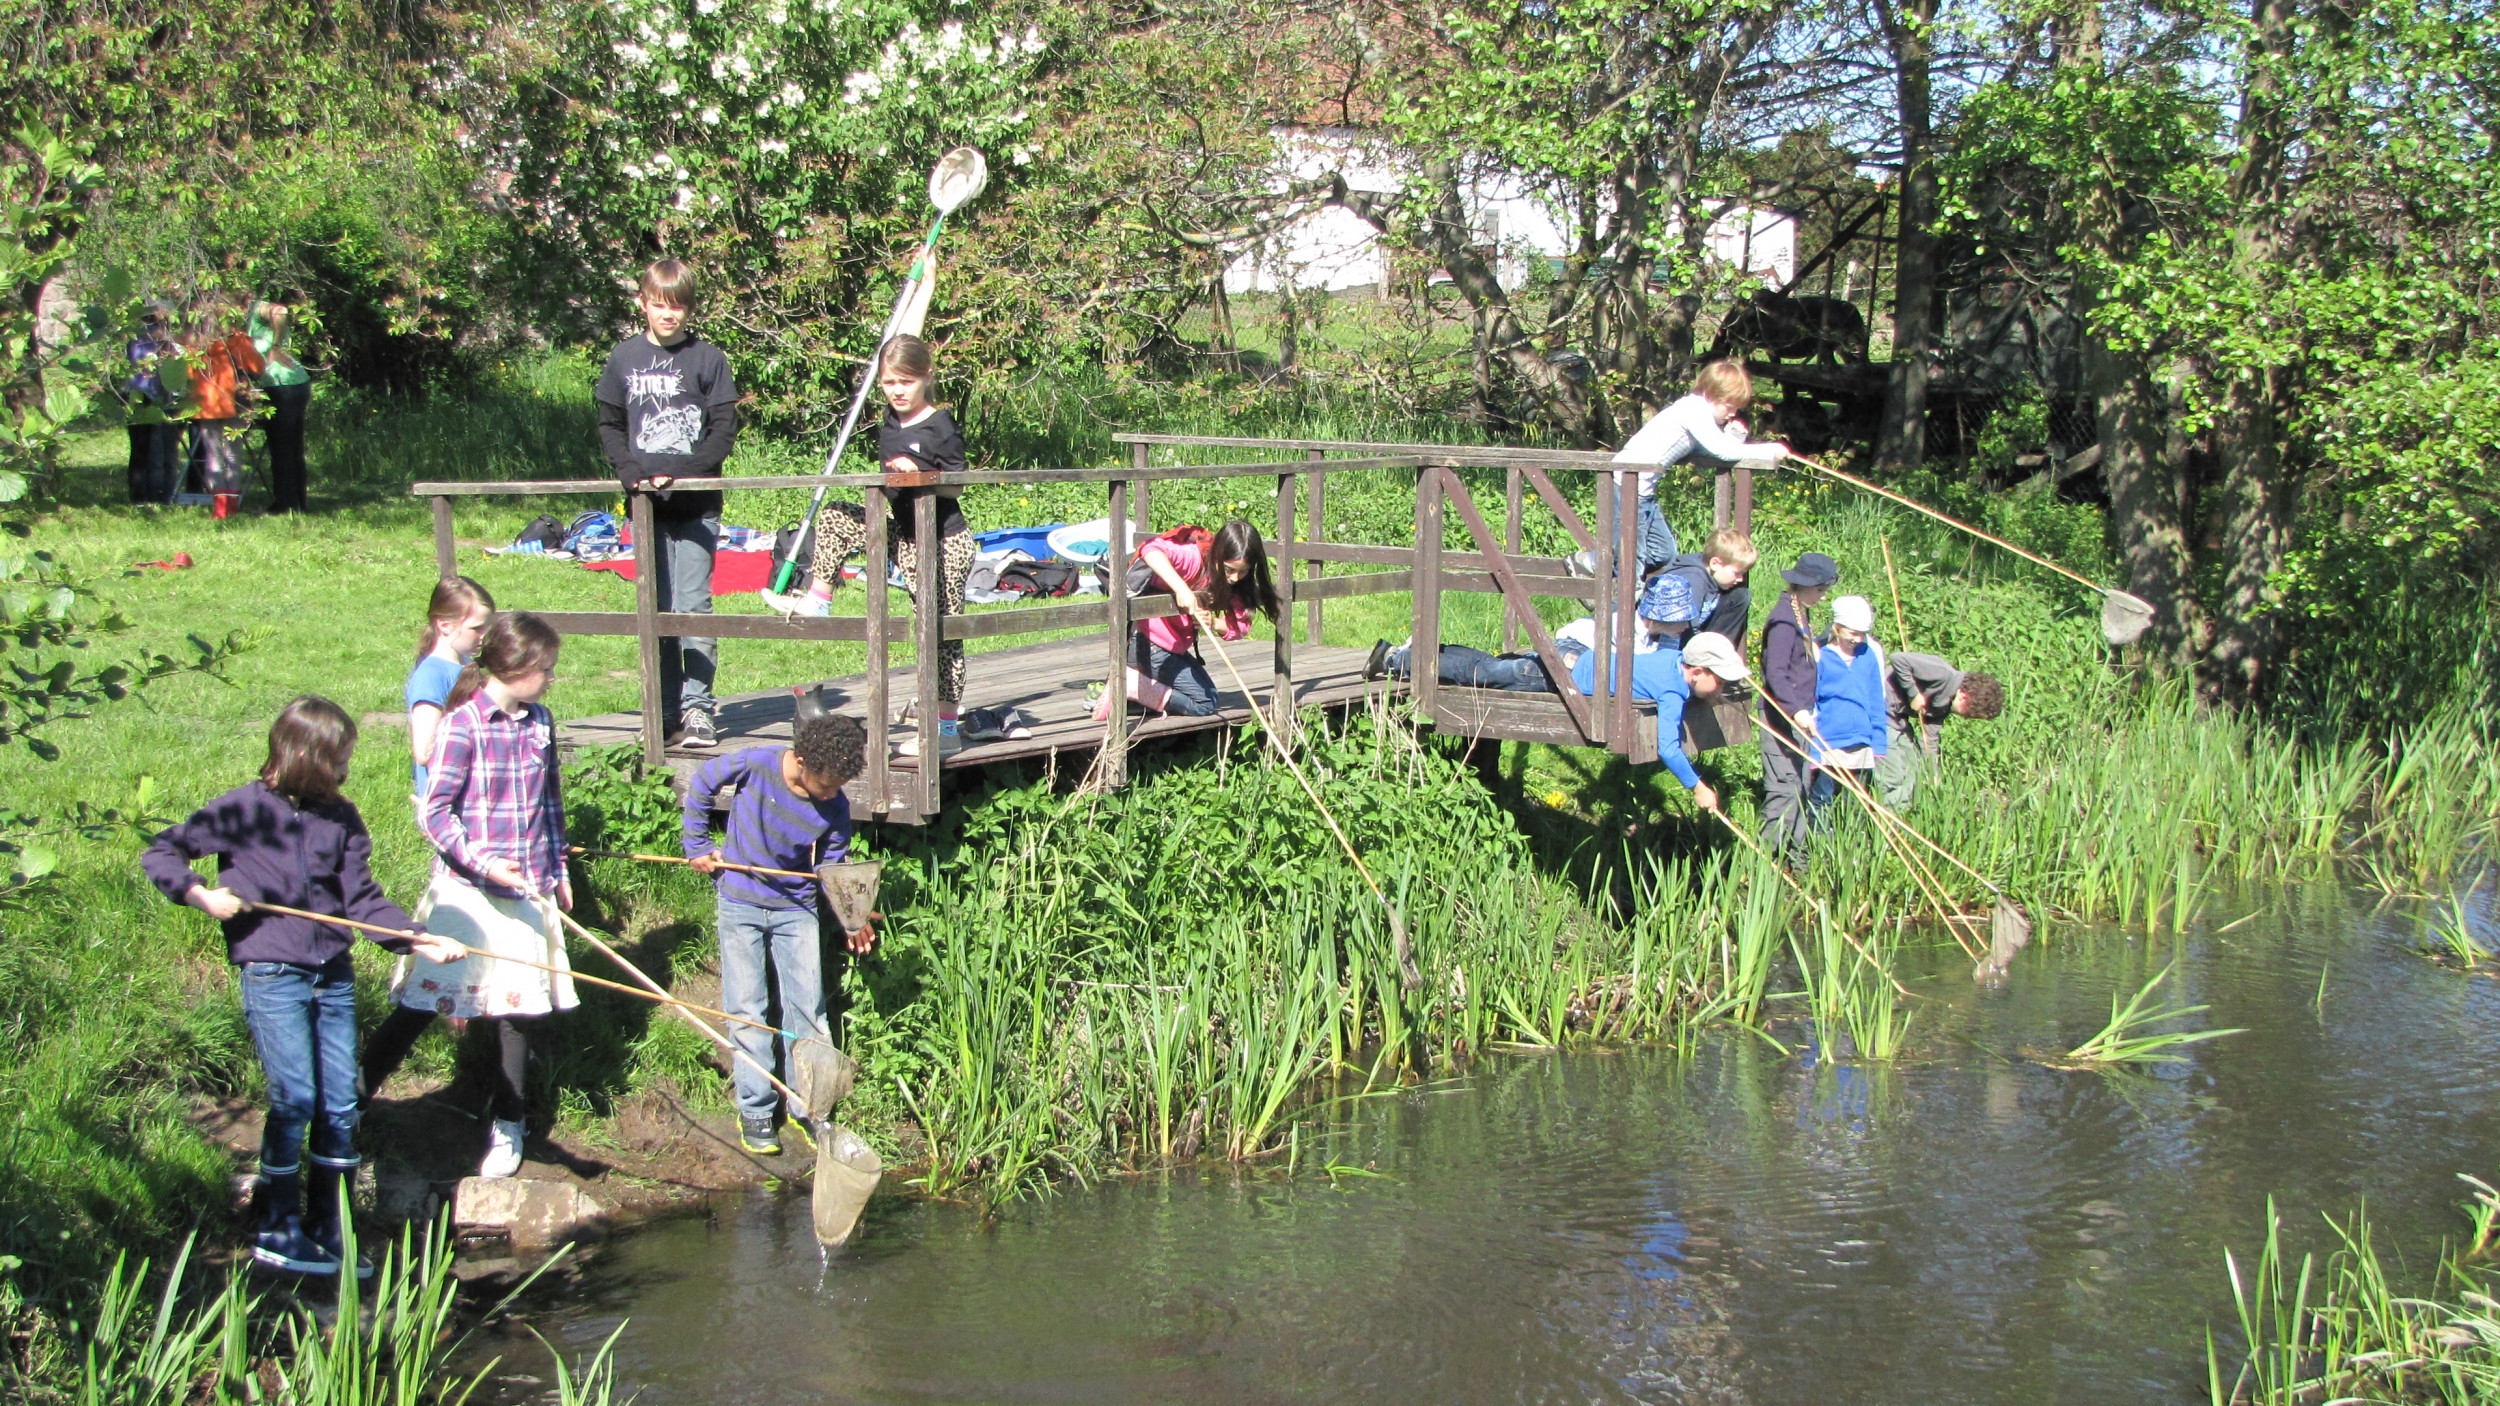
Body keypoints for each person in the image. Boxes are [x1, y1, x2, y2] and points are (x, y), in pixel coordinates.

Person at [142, 697, 464, 1276]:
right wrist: (201, 895)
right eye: (339, 759)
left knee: (340, 1103)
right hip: (273, 972)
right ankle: (277, 1227)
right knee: (294, 1100)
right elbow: (162, 850)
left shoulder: (340, 818)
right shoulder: (243, 810)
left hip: (332, 976)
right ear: (306, 757)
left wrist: (417, 939)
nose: (346, 770)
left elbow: (362, 902)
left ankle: (328, 1225)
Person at [361, 613, 577, 1180]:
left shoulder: (540, 722)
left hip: (527, 889)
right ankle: (351, 1102)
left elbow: (550, 801)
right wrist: (485, 864)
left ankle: (509, 1124)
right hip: (467, 892)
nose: (552, 680)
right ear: (517, 668)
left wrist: (557, 866)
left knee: (516, 1014)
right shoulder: (462, 726)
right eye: (547, 670)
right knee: (417, 1006)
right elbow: (435, 815)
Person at [768, 335, 972, 758]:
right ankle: (819, 596)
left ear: (927, 377)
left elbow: (958, 483)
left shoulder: (940, 425)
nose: (898, 390)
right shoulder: (891, 421)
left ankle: (946, 730)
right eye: (888, 382)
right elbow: (899, 337)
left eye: (906, 381)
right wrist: (925, 282)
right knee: (838, 515)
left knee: (940, 636)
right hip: (901, 532)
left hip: (944, 540)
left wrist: (919, 472)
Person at [682, 713, 870, 1153]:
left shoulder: (836, 805)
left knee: (808, 1012)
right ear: (800, 760)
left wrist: (853, 917)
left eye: (837, 787)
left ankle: (810, 1107)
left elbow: (831, 867)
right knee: (747, 1007)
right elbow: (702, 783)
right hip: (740, 901)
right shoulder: (756, 764)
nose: (830, 794)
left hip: (796, 908)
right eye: (824, 785)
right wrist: (696, 847)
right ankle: (756, 1109)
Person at [595, 259, 739, 749]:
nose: (668, 314)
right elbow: (610, 426)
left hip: (696, 504)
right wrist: (633, 475)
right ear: (644, 303)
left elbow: (723, 429)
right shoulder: (623, 359)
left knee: (693, 604)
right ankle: (663, 709)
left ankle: (699, 710)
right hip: (645, 504)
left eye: (677, 306)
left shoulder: (708, 359)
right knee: (653, 608)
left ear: (689, 309)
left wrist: (687, 474)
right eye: (660, 304)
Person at [1573, 362, 1787, 578]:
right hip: (1626, 484)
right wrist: (1770, 450)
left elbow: (1711, 454)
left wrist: (1735, 436)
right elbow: (1722, 452)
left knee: (1663, 553)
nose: (1733, 413)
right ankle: (1617, 597)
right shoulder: (1693, 410)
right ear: (1711, 393)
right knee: (1631, 564)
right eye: (1729, 406)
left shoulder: (1700, 413)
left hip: (1644, 492)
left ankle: (1595, 562)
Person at [1369, 571, 1695, 691]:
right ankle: (1397, 661)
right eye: (1681, 618)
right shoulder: (1630, 626)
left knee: (1493, 667)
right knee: (1490, 675)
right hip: (1573, 657)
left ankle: (1431, 650)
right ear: (1662, 615)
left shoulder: (1658, 632)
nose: (1686, 624)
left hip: (1579, 655)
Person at [1093, 520, 1283, 720]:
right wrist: (1181, 588)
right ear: (1217, 554)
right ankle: (1131, 685)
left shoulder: (1236, 583)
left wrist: (1213, 623)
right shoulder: (1193, 557)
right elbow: (1151, 549)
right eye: (1229, 569)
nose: (1235, 577)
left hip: (1171, 649)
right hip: (1147, 644)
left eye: (1242, 571)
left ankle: (1134, 692)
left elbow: (1241, 626)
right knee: (1205, 701)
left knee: (1205, 696)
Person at [1757, 551, 1837, 864]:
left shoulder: (1800, 613)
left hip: (1801, 717)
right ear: (1802, 586)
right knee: (1784, 790)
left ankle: (1797, 861)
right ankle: (1765, 862)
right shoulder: (1783, 620)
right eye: (1819, 590)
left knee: (1803, 787)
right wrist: (1796, 710)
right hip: (1783, 717)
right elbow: (1775, 672)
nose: (1823, 595)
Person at [1875, 652, 2005, 809]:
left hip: (1898, 719)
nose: (1966, 717)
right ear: (1964, 696)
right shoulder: (1942, 673)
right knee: (1892, 777)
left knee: (1914, 770)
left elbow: (1929, 738)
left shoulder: (1945, 704)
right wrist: (1914, 693)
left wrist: (1932, 772)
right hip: (1879, 710)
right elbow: (1898, 659)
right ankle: (1884, 814)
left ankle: (1900, 810)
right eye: (1969, 713)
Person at [407, 576, 496, 799]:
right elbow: (424, 752)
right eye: (477, 628)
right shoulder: (432, 676)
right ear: (445, 625)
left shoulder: (465, 664)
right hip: (449, 800)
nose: (484, 635)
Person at [1804, 595, 1888, 832]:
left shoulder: (1868, 655)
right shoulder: (1821, 656)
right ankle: (1819, 847)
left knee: (1855, 803)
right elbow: (1813, 702)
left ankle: (1850, 848)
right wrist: (1814, 750)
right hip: (1829, 742)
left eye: (1862, 633)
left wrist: (1878, 743)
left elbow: (1875, 700)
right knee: (1822, 799)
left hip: (1860, 742)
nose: (1858, 639)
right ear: (1837, 628)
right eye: (1852, 632)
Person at [184, 300, 265, 514]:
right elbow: (257, 366)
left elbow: (189, 373)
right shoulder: (237, 340)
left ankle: (219, 509)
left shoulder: (198, 343)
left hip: (207, 403)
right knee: (233, 456)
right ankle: (233, 506)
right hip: (236, 402)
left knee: (213, 455)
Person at [250, 296, 314, 513]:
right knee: (286, 445)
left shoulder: (255, 309)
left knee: (284, 445)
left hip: (285, 385)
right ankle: (295, 502)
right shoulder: (238, 319)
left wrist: (274, 347)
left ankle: (287, 504)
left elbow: (280, 311)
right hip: (286, 385)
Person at [1653, 528, 1761, 650]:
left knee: (1741, 595)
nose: (1741, 579)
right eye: (1737, 573)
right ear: (1715, 563)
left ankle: (1720, 651)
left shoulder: (1711, 574)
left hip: (1693, 631)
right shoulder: (1692, 580)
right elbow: (1679, 626)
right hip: (1670, 638)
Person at [121, 303, 180, 504]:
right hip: (142, 396)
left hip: (161, 396)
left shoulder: (163, 339)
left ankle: (160, 494)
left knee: (160, 451)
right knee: (144, 450)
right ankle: (143, 495)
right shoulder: (139, 338)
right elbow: (142, 361)